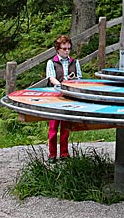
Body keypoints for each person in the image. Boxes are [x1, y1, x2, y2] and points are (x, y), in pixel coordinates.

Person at [45, 34, 82, 163]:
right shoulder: (51, 62)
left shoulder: (75, 62)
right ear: (58, 49)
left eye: (68, 48)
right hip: (55, 97)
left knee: (65, 127)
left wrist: (73, 81)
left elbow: (80, 79)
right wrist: (61, 85)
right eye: (64, 48)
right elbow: (51, 78)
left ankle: (64, 154)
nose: (67, 51)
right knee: (53, 127)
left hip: (69, 97)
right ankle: (52, 154)